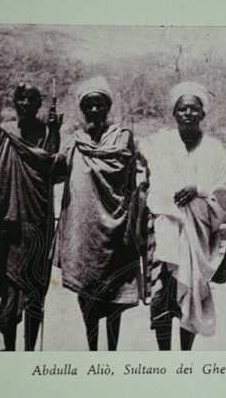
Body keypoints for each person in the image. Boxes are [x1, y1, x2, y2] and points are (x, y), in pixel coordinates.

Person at [138, 81, 226, 350]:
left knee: (190, 292)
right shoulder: (160, 144)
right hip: (165, 232)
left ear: (203, 114)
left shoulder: (214, 149)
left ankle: (185, 355)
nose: (188, 113)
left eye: (194, 109)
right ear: (174, 113)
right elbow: (149, 176)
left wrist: (198, 189)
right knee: (163, 295)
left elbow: (224, 190)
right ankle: (165, 355)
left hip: (198, 233)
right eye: (182, 109)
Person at [51, 76, 139, 351]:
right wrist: (54, 134)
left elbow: (132, 181)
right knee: (87, 293)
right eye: (88, 105)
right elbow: (54, 172)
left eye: (99, 104)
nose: (93, 110)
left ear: (107, 106)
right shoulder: (75, 141)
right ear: (82, 108)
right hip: (83, 232)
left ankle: (111, 353)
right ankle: (92, 353)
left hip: (116, 228)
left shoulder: (122, 135)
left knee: (114, 297)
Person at [0, 83, 60, 351]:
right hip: (8, 221)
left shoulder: (47, 131)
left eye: (31, 99)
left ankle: (29, 352)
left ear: (39, 104)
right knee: (9, 285)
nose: (25, 103)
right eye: (20, 98)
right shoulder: (5, 131)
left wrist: (55, 132)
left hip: (38, 218)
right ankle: (10, 347)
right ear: (14, 102)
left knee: (35, 288)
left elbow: (52, 168)